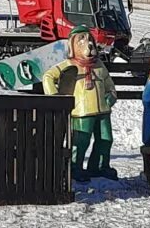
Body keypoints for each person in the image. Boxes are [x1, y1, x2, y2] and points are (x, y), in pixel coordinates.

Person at [42, 30, 117, 181]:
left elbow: (109, 84)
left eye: (90, 40)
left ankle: (99, 166)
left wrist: (111, 96)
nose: (88, 43)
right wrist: (55, 98)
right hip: (82, 110)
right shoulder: (69, 65)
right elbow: (48, 76)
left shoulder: (99, 65)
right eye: (81, 40)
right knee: (81, 141)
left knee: (105, 139)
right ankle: (75, 167)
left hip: (103, 109)